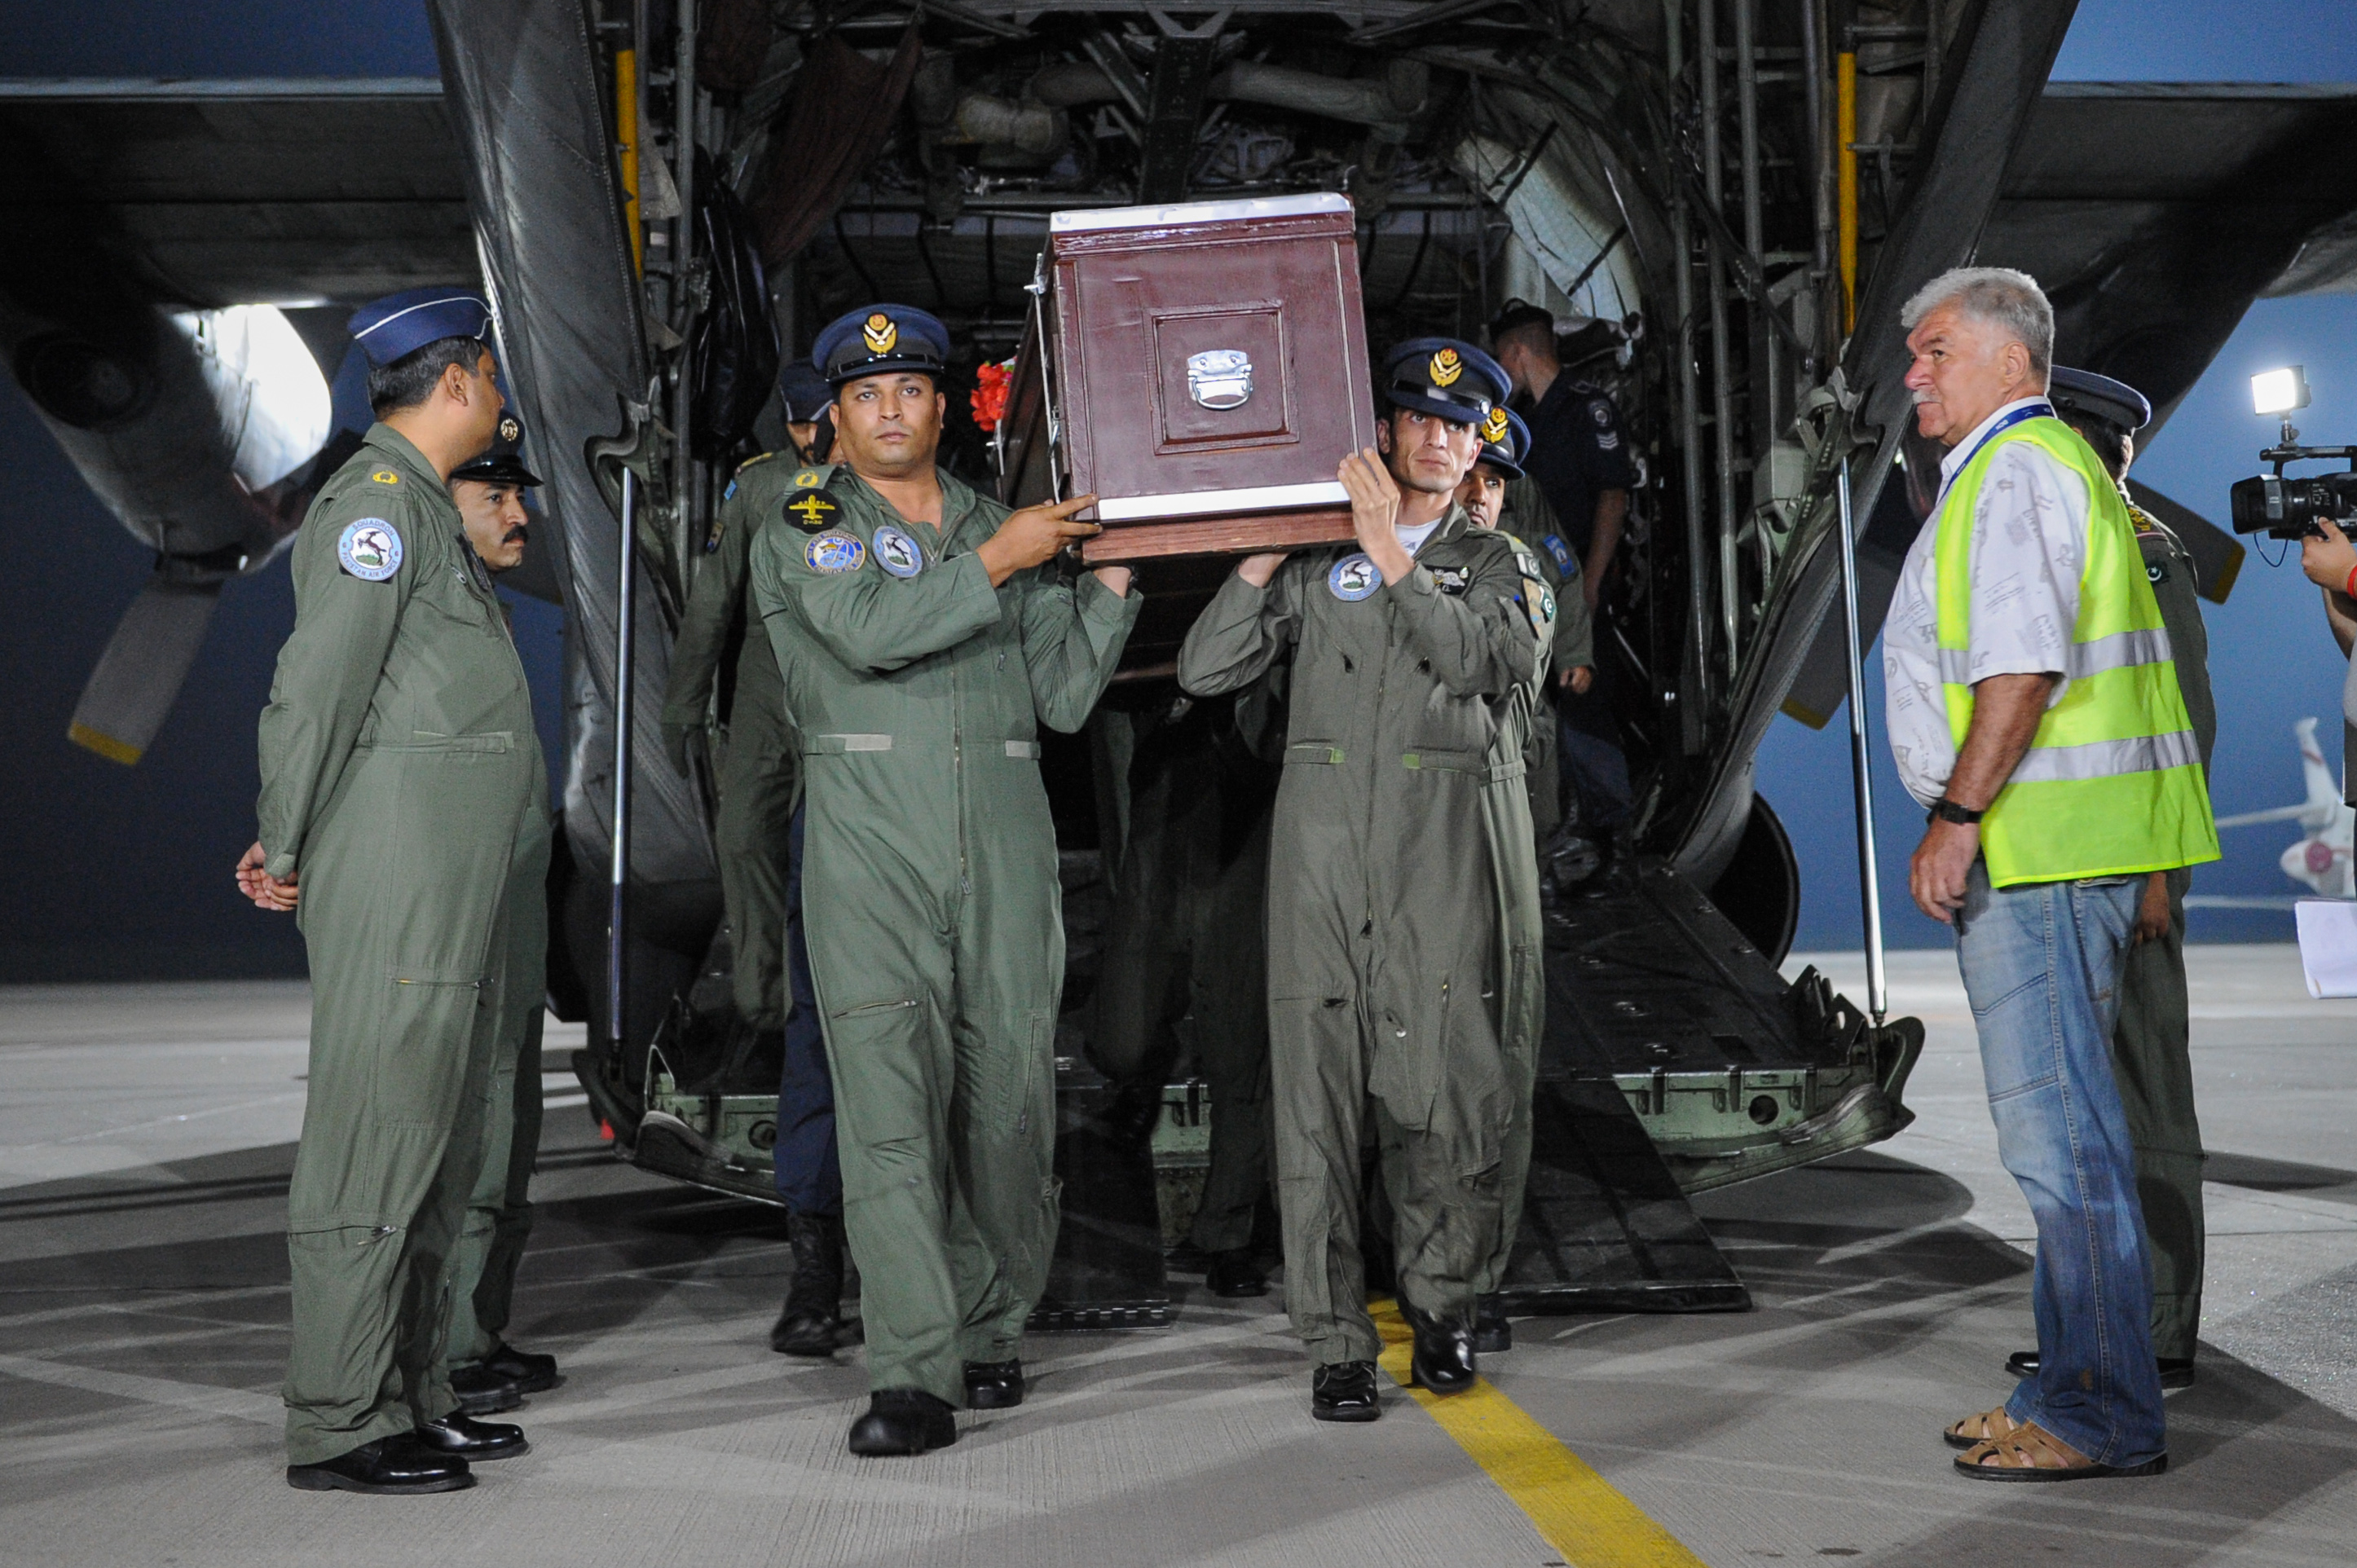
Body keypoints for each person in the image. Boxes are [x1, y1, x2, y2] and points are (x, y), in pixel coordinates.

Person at [750, 305, 1140, 1456]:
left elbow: (1064, 697)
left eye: (910, 391)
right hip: (872, 844)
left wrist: (1112, 586)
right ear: (837, 413)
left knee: (1009, 1105)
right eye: (866, 395)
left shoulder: (991, 521)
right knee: (888, 1111)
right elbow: (869, 633)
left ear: (938, 405)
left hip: (1007, 842)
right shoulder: (810, 519)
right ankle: (912, 1374)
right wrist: (1007, 558)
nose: (888, 411)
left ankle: (988, 1327)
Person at [1881, 267, 2218, 1481]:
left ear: (2012, 361)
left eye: (1933, 351)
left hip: (2039, 851)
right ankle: (2070, 1382)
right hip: (2059, 852)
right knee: (2066, 1144)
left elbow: (2020, 668)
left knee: (2066, 1148)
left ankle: (2098, 1413)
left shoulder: (2017, 471)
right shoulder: (2025, 469)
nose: (1912, 372)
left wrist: (1958, 815)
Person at [1178, 338, 1544, 1423]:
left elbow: (1483, 664)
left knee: (1440, 1089)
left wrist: (1389, 549)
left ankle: (1441, 1309)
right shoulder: (1316, 565)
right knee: (1317, 1094)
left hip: (1439, 860)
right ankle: (1334, 1339)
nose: (1434, 435)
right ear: (1385, 432)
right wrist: (1257, 552)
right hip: (1322, 858)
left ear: (1480, 441)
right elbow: (1205, 669)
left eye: (1458, 422)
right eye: (1415, 417)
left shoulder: (1499, 567)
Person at [235, 287, 539, 1493]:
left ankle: (412, 1392)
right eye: (496, 382)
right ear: (458, 382)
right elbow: (316, 688)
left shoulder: (414, 511)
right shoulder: (373, 510)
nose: (502, 403)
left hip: (448, 882)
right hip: (402, 874)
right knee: (376, 1140)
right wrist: (286, 836)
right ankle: (339, 1419)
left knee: (436, 1141)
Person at [2002, 365, 2209, 1393]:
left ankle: (2162, 1327)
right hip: (2072, 870)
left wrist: (2160, 879)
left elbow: (2182, 729)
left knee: (2147, 1103)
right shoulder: (2075, 551)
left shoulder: (2145, 554)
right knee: (2078, 1111)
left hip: (2134, 877)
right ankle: (2094, 1320)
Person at [660, 361, 848, 1359]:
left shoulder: (925, 500)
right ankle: (766, 996)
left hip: (866, 743)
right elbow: (716, 597)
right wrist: (686, 700)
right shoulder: (765, 487)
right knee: (747, 843)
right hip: (776, 708)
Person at [441, 416, 564, 1410]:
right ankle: (444, 1350)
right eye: (499, 499)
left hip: (511, 922)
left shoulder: (484, 606)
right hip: (462, 924)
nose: (520, 515)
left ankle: (479, 1335)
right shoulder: (424, 613)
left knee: (510, 1135)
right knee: (468, 1139)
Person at [1085, 682, 1280, 1299]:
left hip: (1245, 842)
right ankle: (1143, 1070)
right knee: (1121, 1035)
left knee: (1240, 1054)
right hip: (1162, 831)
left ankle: (1230, 1234)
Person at [1452, 398, 1561, 1354]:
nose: (1480, 490)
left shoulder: (1513, 571)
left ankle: (1478, 1273)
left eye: (1495, 478)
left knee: (1497, 1049)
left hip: (1488, 815)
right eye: (1468, 469)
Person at [1488, 301, 1637, 855]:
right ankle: (1567, 825)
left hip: (1580, 583)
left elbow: (1612, 494)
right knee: (1548, 703)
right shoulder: (1528, 421)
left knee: (1585, 702)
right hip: (1538, 587)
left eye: (1500, 359)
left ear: (1517, 352)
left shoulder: (1584, 408)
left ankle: (1607, 830)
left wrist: (1592, 582)